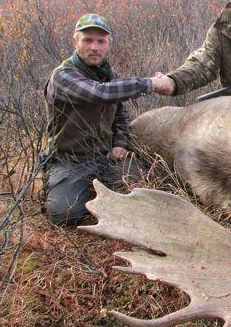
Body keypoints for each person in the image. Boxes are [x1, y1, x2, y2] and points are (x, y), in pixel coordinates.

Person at [44, 14, 168, 226]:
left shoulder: (108, 74)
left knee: (150, 189)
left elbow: (120, 114)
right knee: (63, 215)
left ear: (108, 44)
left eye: (101, 41)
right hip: (70, 161)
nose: (94, 47)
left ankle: (99, 192)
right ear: (75, 42)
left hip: (105, 158)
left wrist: (119, 144)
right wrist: (150, 83)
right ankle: (71, 188)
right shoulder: (63, 76)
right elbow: (98, 93)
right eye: (87, 40)